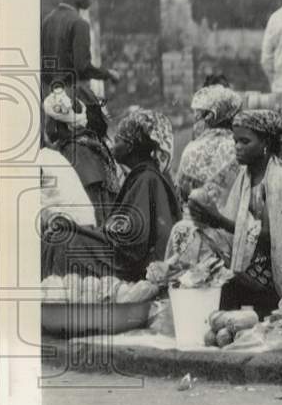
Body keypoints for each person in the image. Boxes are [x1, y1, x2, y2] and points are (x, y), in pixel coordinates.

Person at [187, 110, 282, 317]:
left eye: (245, 141)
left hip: (275, 274)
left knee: (228, 289)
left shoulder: (278, 181)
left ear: (265, 143)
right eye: (235, 140)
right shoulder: (246, 177)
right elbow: (235, 223)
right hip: (253, 268)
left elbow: (269, 237)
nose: (237, 147)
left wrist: (218, 220)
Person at [42, 109, 181, 281]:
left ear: (130, 147)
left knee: (61, 243)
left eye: (118, 140)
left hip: (133, 267)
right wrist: (77, 229)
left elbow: (130, 244)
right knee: (64, 235)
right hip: (129, 258)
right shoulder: (143, 176)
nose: (112, 144)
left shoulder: (146, 178)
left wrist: (76, 230)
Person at [166, 85, 243, 267]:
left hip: (196, 235)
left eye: (199, 115)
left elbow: (182, 194)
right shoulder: (241, 147)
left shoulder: (191, 149)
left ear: (211, 116)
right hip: (234, 233)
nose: (196, 120)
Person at [42, 87, 123, 225]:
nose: (46, 124)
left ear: (60, 122)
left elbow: (93, 206)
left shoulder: (75, 151)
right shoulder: (89, 144)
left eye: (49, 118)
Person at [40, 0, 120, 103]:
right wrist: (109, 74)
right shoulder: (79, 24)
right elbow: (83, 67)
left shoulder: (47, 21)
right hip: (71, 99)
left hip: (48, 98)